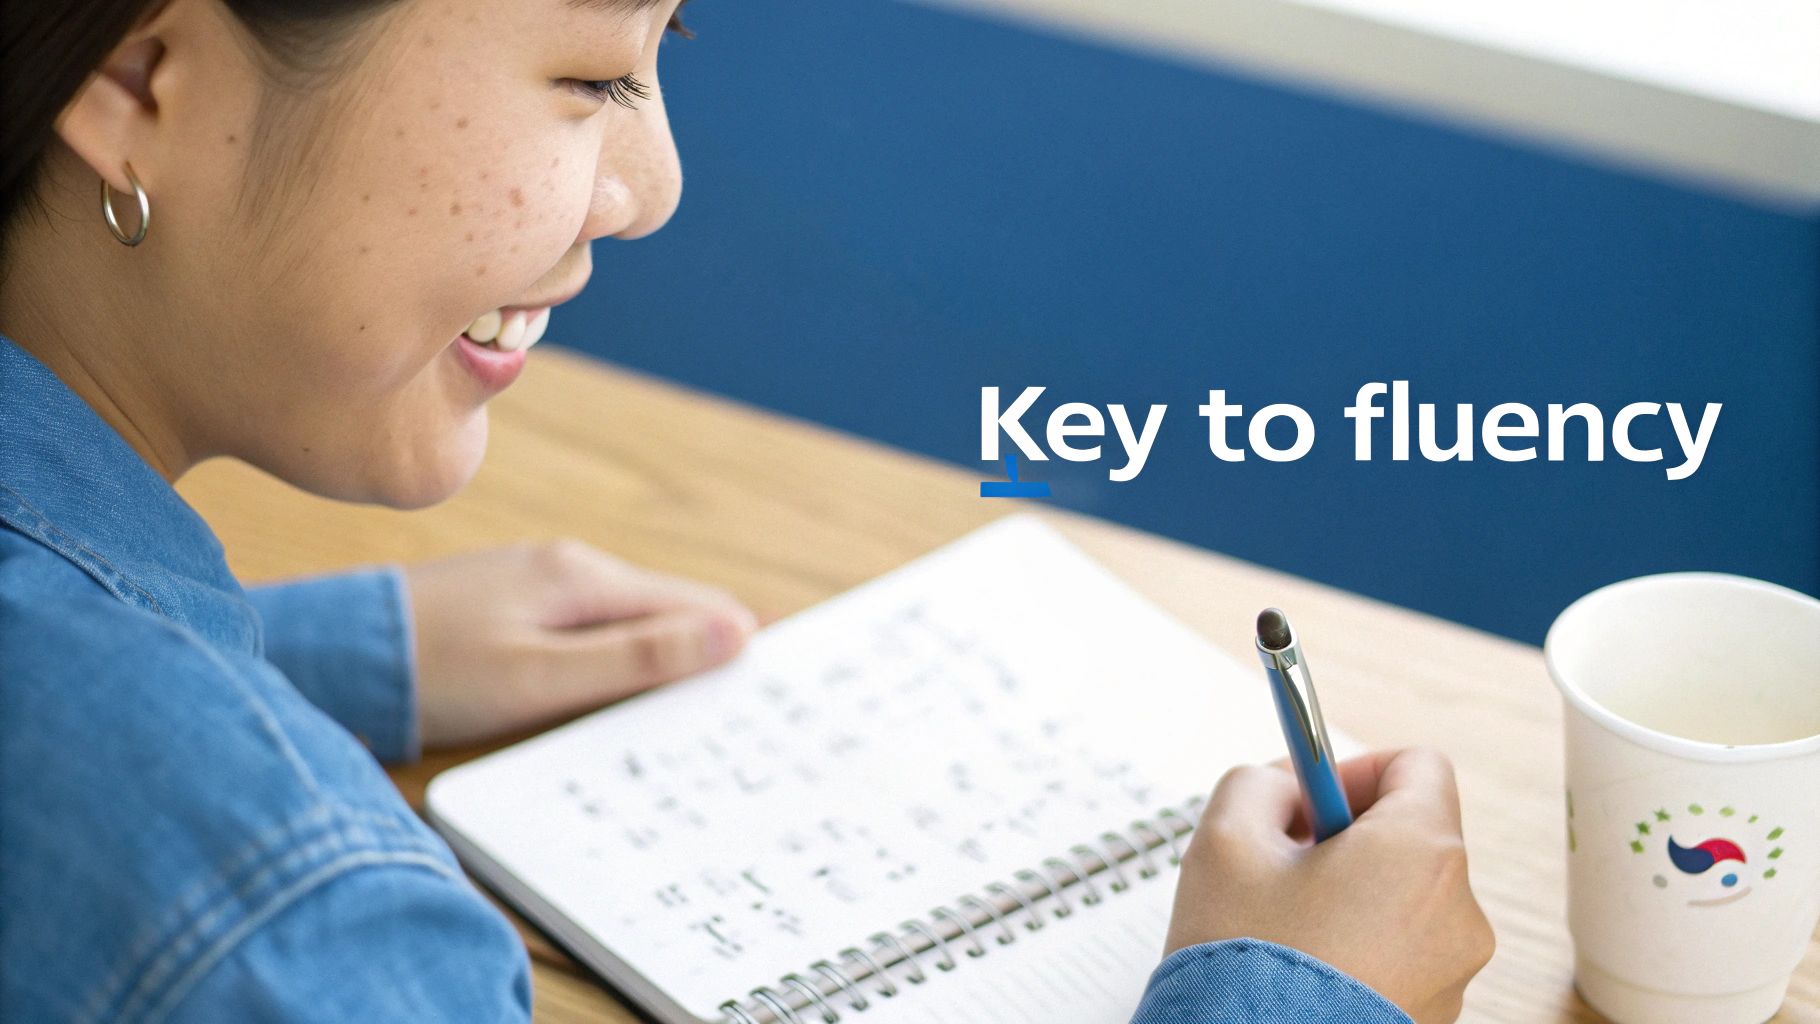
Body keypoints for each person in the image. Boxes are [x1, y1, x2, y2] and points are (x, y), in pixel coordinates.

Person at [0, 1, 1495, 1021]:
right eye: (589, 74)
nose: (653, 181)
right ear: (147, 84)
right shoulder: (295, 930)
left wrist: (278, 651)